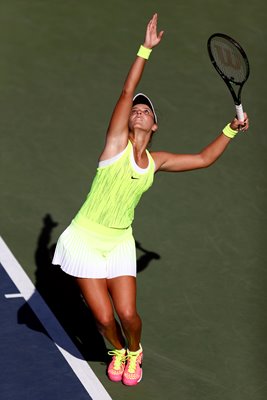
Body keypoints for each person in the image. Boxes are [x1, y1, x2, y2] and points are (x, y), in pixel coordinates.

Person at [52, 13, 249, 386]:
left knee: (127, 314)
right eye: (136, 111)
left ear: (154, 125)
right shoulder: (114, 147)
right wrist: (145, 49)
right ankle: (117, 351)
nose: (139, 111)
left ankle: (135, 350)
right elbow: (127, 92)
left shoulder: (156, 162)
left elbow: (204, 159)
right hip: (84, 239)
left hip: (119, 240)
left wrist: (231, 129)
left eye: (146, 111)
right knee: (105, 319)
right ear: (127, 123)